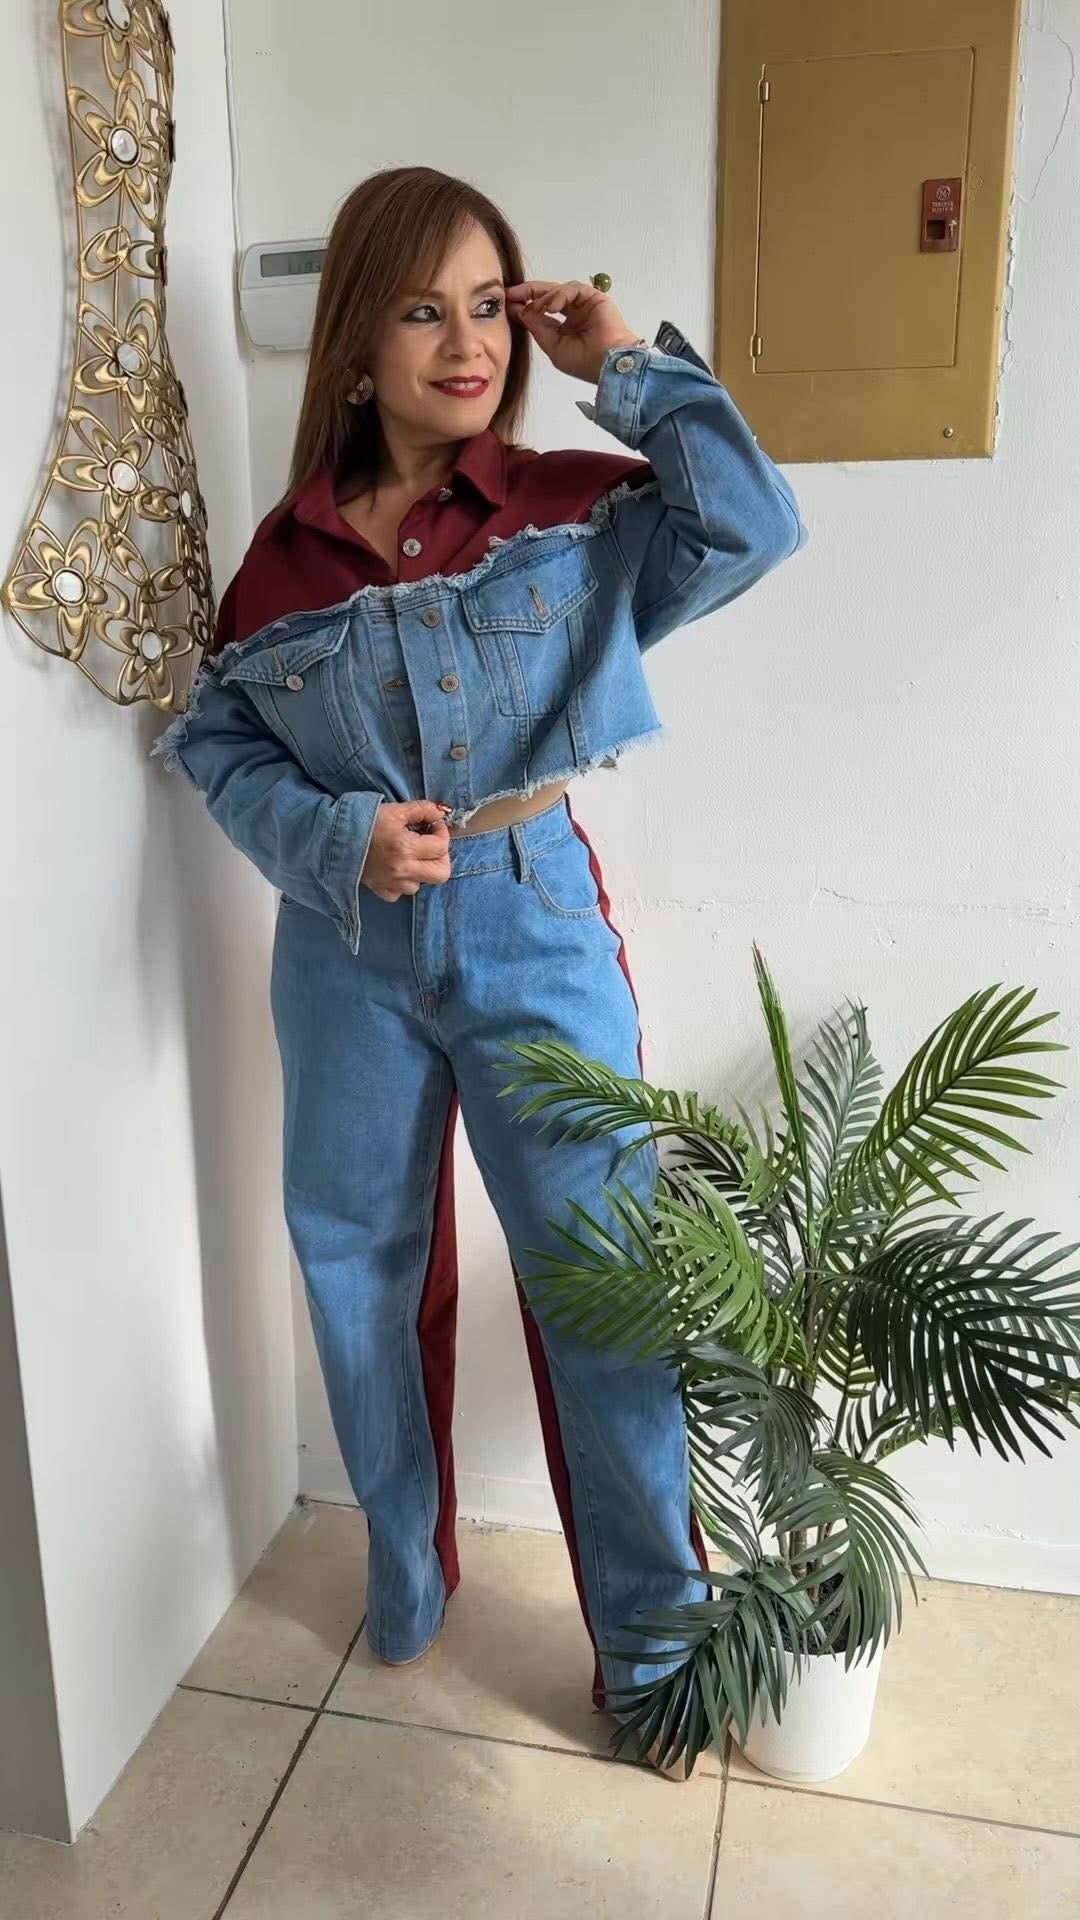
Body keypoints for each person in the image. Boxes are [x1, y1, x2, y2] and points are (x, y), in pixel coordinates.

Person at [156, 165, 804, 1773]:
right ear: (352, 344)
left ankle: (655, 1657)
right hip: (343, 953)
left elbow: (755, 522)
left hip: (534, 921)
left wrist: (622, 362)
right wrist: (337, 840)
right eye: (420, 309)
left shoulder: (573, 509)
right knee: (359, 1271)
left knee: (601, 1280)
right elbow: (218, 744)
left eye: (487, 305)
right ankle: (407, 1572)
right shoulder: (281, 564)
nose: (467, 343)